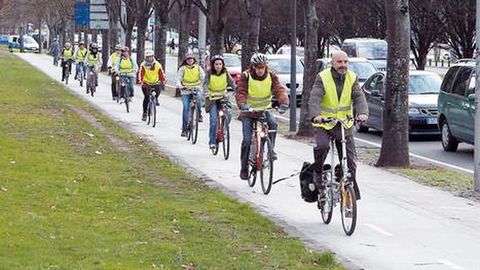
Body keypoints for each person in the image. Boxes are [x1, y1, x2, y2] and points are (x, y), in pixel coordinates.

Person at [308, 50, 368, 202]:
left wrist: (362, 113)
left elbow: (359, 97)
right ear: (332, 63)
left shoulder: (352, 77)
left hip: (344, 124)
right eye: (339, 62)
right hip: (325, 124)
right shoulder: (323, 77)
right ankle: (318, 172)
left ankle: (346, 188)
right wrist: (316, 115)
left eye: (345, 62)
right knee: (322, 147)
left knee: (351, 162)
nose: (343, 65)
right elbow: (315, 97)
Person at [236, 53, 289, 180]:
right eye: (258, 67)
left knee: (273, 124)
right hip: (248, 112)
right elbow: (241, 91)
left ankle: (270, 150)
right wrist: (242, 104)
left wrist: (284, 102)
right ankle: (244, 168)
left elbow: (279, 90)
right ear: (253, 67)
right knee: (247, 140)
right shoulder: (246, 76)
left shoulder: (271, 75)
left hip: (264, 109)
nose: (260, 70)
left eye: (262, 67)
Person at [203, 55, 236, 150]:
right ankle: (212, 141)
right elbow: (205, 83)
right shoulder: (209, 73)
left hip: (223, 97)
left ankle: (223, 130)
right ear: (213, 65)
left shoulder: (225, 73)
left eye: (220, 64)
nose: (218, 66)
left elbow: (232, 82)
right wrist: (206, 92)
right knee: (213, 121)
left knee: (228, 114)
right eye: (216, 64)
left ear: (223, 65)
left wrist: (236, 90)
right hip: (212, 99)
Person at [176, 53, 205, 137]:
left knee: (199, 98)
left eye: (191, 59)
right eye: (188, 59)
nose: (190, 60)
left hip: (196, 88)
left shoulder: (198, 68)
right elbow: (178, 79)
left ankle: (199, 114)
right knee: (186, 108)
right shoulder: (183, 69)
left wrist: (200, 86)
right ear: (186, 60)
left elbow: (203, 78)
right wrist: (180, 85)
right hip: (186, 90)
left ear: (194, 60)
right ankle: (184, 129)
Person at [139, 49, 166, 121]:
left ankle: (155, 99)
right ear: (145, 58)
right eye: (147, 57)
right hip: (146, 83)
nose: (149, 58)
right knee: (147, 97)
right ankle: (145, 113)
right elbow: (141, 74)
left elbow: (161, 73)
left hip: (155, 82)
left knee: (158, 91)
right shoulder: (143, 65)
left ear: (153, 57)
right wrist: (141, 81)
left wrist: (163, 80)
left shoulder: (157, 64)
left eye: (150, 57)